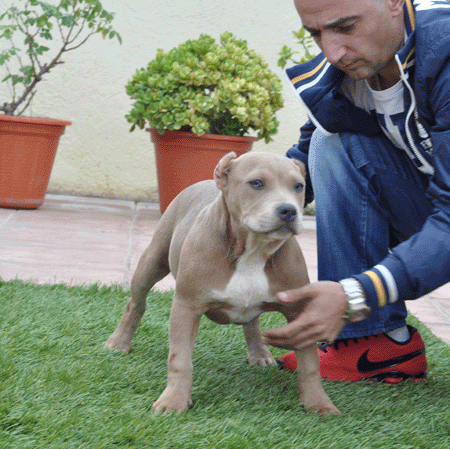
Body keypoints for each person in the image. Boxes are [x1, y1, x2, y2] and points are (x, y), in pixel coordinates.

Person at [263, 0, 450, 383]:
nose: (332, 52)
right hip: (431, 210)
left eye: (345, 27)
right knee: (330, 144)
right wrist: (236, 215)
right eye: (316, 34)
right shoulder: (353, 68)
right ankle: (374, 341)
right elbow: (306, 160)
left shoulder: (443, 53)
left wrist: (353, 293)